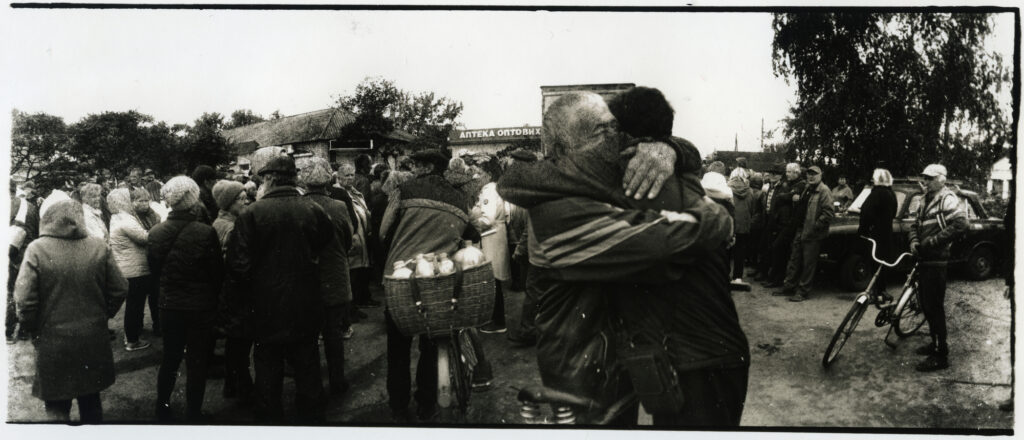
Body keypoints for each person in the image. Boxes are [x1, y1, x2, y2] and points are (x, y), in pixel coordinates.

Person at [499, 89, 745, 426]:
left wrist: (671, 148)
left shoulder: (634, 180)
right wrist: (716, 218)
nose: (617, 141)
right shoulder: (561, 210)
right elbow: (668, 243)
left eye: (618, 130)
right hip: (584, 377)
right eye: (605, 130)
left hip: (687, 359)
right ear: (567, 147)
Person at [226, 156, 336, 423]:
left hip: (265, 305)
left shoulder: (252, 213)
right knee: (307, 363)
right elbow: (325, 241)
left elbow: (239, 266)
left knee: (267, 365)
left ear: (269, 179)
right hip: (306, 301)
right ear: (293, 178)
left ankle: (270, 422)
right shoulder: (312, 208)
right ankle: (312, 421)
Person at [378, 149, 480, 422]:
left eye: (417, 164)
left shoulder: (403, 189)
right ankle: (426, 403)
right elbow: (472, 233)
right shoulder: (460, 198)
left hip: (400, 280)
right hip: (438, 279)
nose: (414, 168)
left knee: (398, 347)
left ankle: (398, 406)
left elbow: (383, 231)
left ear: (428, 166)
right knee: (432, 342)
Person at [14, 199, 128, 423]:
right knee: (91, 400)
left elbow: (24, 300)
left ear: (47, 219)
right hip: (92, 337)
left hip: (52, 340)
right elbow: (120, 288)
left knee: (56, 405)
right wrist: (102, 315)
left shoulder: (36, 249)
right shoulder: (98, 246)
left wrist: (32, 329)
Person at [148, 176, 224, 422]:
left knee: (169, 358)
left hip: (169, 304)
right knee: (197, 361)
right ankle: (194, 412)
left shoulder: (156, 232)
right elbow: (217, 273)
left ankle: (163, 407)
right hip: (199, 306)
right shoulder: (205, 232)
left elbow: (155, 269)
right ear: (193, 201)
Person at [298, 157, 354, 397]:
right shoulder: (338, 206)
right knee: (333, 333)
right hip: (334, 275)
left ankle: (313, 388)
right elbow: (349, 239)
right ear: (328, 179)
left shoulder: (298, 206)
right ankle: (337, 381)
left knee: (308, 335)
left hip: (307, 279)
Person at [908, 164, 967, 372]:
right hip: (924, 259)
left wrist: (933, 242)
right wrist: (914, 241)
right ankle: (934, 344)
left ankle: (941, 355)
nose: (926, 182)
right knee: (926, 305)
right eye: (925, 178)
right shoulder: (924, 199)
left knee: (934, 307)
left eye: (930, 178)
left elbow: (961, 224)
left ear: (941, 179)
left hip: (937, 260)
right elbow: (914, 225)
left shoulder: (947, 198)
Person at [210, 179, 255, 401]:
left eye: (245, 196)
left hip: (228, 291)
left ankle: (233, 384)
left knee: (235, 341)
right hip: (236, 291)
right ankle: (242, 388)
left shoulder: (221, 223)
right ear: (228, 203)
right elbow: (234, 262)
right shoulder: (231, 227)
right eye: (240, 198)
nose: (245, 201)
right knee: (240, 340)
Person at [774, 165, 834, 302]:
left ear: (820, 176)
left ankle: (803, 292)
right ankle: (789, 287)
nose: (811, 176)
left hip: (812, 234)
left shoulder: (824, 191)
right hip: (800, 230)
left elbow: (829, 213)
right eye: (809, 174)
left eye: (814, 174)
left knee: (808, 264)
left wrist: (815, 226)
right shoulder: (808, 188)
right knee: (794, 260)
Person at [107, 188, 154, 351]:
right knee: (135, 304)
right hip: (135, 269)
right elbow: (144, 238)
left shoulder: (116, 218)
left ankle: (134, 333)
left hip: (127, 267)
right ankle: (132, 340)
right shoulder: (126, 220)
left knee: (135, 303)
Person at [472, 157, 513, 334]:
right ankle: (495, 319)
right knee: (492, 279)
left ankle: (497, 322)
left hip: (491, 239)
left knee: (492, 279)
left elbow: (487, 219)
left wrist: (470, 225)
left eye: (479, 173)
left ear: (488, 175)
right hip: (493, 239)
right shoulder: (489, 189)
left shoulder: (489, 191)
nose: (476, 176)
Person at [338, 162, 378, 310]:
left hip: (362, 235)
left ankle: (362, 300)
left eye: (352, 175)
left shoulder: (354, 192)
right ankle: (355, 305)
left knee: (362, 270)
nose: (350, 178)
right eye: (346, 175)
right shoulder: (340, 193)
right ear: (339, 177)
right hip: (354, 236)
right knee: (353, 272)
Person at [857, 169, 898, 301]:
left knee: (874, 263)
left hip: (874, 234)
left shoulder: (876, 194)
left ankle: (875, 293)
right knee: (883, 263)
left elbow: (865, 212)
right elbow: (894, 213)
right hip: (887, 233)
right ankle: (881, 291)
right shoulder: (892, 194)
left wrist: (863, 231)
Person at [765, 163, 805, 289]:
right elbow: (788, 196)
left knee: (779, 248)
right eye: (787, 172)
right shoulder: (791, 184)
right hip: (784, 222)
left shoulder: (800, 184)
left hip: (791, 223)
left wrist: (784, 196)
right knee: (780, 250)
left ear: (796, 173)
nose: (787, 174)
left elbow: (786, 196)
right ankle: (777, 278)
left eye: (789, 172)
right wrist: (787, 196)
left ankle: (778, 279)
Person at [729, 175, 756, 283]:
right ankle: (737, 277)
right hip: (744, 225)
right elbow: (752, 209)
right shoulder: (750, 191)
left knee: (727, 251)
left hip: (731, 225)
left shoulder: (728, 190)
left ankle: (725, 275)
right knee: (740, 252)